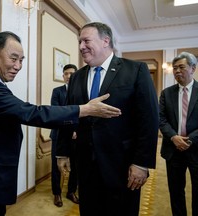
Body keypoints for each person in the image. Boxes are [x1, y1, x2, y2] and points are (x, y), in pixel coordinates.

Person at [0, 31, 122, 216]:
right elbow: (31, 112)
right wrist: (83, 110)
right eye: (13, 58)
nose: (18, 66)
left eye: (21, 60)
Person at [56, 22, 159, 216]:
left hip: (122, 166)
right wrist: (63, 152)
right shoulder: (77, 77)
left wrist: (141, 163)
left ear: (105, 41)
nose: (81, 47)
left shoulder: (135, 70)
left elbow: (149, 119)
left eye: (86, 40)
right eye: (79, 42)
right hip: (86, 165)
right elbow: (68, 115)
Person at [159, 51, 198, 216]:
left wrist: (189, 140)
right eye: (174, 68)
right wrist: (174, 137)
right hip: (173, 150)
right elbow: (160, 119)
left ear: (193, 68)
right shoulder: (166, 93)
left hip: (196, 149)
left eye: (181, 67)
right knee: (175, 192)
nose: (177, 71)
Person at [50, 64, 79, 207]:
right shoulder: (57, 91)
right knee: (56, 167)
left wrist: (76, 130)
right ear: (63, 76)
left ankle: (71, 191)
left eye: (72, 73)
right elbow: (56, 113)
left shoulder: (80, 92)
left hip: (76, 136)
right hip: (58, 134)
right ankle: (57, 193)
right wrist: (70, 128)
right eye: (66, 73)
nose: (69, 76)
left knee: (76, 165)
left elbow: (82, 114)